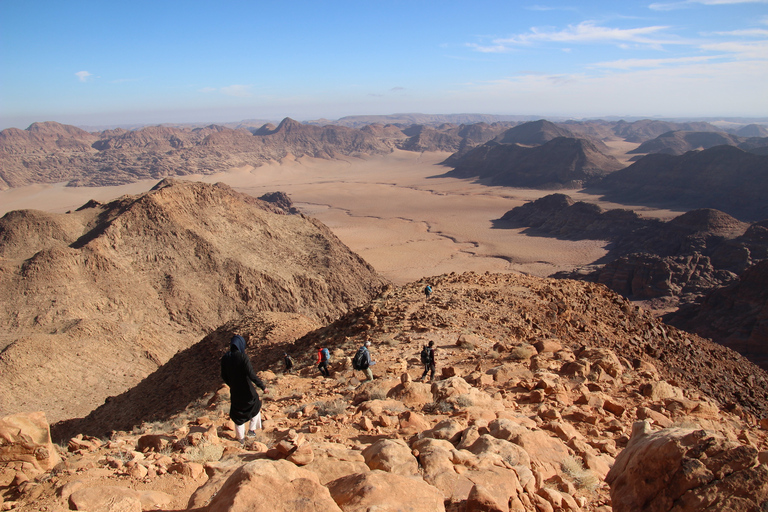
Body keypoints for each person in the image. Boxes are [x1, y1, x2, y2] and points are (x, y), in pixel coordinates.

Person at [220, 334, 268, 443]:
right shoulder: (242, 357)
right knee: (256, 406)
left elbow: (223, 375)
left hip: (235, 391)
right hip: (247, 390)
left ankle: (240, 439)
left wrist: (231, 384)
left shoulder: (225, 358)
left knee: (238, 414)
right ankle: (251, 430)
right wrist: (262, 386)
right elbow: (251, 375)